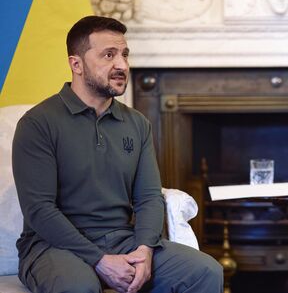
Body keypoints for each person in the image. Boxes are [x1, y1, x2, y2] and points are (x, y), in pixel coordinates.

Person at [12, 16, 223, 293]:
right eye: (108, 55)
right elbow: (39, 210)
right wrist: (99, 260)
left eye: (124, 54)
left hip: (122, 240)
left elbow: (148, 197)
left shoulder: (137, 124)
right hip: (53, 246)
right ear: (76, 64)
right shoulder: (38, 123)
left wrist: (145, 249)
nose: (122, 65)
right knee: (78, 287)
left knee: (206, 272)